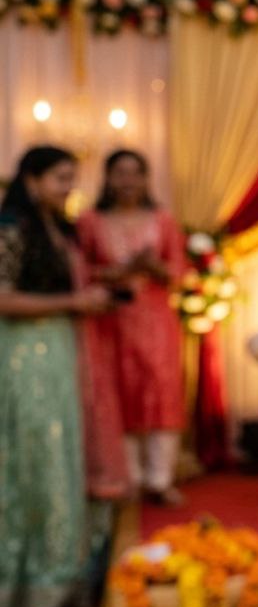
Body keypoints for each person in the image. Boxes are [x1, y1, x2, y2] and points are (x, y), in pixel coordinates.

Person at [0, 146, 113, 607]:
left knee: (63, 450)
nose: (69, 188)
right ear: (30, 178)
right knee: (35, 456)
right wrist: (75, 301)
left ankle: (65, 575)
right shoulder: (10, 227)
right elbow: (2, 298)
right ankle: (32, 582)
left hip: (60, 347)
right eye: (61, 178)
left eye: (72, 178)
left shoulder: (54, 225)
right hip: (25, 352)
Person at [78, 150, 187, 506]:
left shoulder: (163, 220)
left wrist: (152, 267)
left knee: (161, 392)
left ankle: (160, 479)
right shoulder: (90, 222)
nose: (127, 181)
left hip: (156, 320)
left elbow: (179, 274)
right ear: (107, 178)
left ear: (146, 178)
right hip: (110, 320)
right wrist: (120, 270)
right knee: (119, 393)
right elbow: (79, 272)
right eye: (119, 173)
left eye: (135, 173)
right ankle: (129, 478)